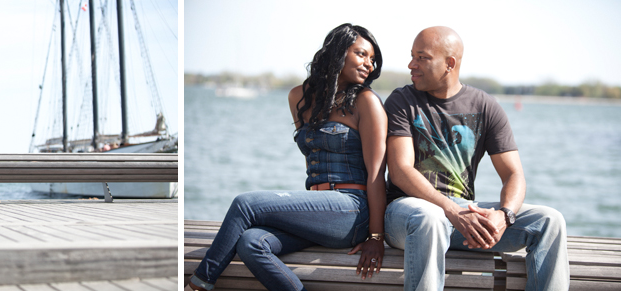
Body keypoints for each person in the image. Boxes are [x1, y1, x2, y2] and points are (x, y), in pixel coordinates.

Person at [187, 23, 388, 291]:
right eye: (362, 54)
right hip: (321, 209)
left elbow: (376, 174)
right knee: (251, 242)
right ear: (338, 52)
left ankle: (199, 284)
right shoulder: (299, 97)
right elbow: (311, 161)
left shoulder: (366, 102)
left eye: (372, 59)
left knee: (246, 204)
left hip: (352, 210)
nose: (369, 64)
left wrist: (375, 236)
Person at [383, 26, 568, 290]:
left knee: (550, 220)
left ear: (449, 64)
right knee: (430, 219)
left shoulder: (485, 105)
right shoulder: (402, 100)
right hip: (408, 213)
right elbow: (401, 170)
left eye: (422, 57)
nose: (411, 64)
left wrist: (505, 215)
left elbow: (514, 175)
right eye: (412, 56)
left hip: (462, 217)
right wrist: (452, 210)